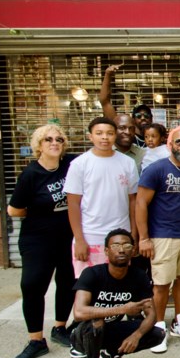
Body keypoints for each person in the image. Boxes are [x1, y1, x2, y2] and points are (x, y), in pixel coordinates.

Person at [135, 128, 180, 354]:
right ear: (170, 143)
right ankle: (158, 328)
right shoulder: (155, 170)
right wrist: (144, 238)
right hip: (162, 235)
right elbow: (140, 204)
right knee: (161, 285)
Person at [8, 124, 77, 358]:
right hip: (37, 238)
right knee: (33, 284)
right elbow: (14, 209)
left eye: (59, 138)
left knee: (67, 282)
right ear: (39, 145)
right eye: (48, 139)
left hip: (66, 236)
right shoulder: (31, 174)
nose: (54, 142)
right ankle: (36, 340)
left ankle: (60, 327)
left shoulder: (69, 164)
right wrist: (39, 212)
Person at [70, 229, 165, 358]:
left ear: (133, 251)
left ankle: (111, 353)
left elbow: (152, 315)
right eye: (116, 245)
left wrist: (137, 335)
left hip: (110, 330)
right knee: (97, 321)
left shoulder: (139, 276)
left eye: (127, 245)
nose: (121, 250)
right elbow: (78, 312)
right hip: (84, 334)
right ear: (106, 251)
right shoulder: (91, 274)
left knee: (156, 334)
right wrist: (122, 309)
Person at [66, 116, 139, 278]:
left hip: (121, 237)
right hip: (90, 236)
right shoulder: (79, 164)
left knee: (119, 287)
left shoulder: (127, 163)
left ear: (115, 135)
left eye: (109, 133)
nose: (105, 137)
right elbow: (73, 204)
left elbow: (133, 201)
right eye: (99, 133)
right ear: (90, 136)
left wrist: (133, 235)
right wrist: (79, 240)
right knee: (88, 288)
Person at [98, 63, 153, 148]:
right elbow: (105, 102)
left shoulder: (157, 138)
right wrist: (108, 75)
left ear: (151, 119)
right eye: (138, 116)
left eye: (146, 115)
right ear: (133, 119)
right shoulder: (127, 136)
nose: (143, 118)